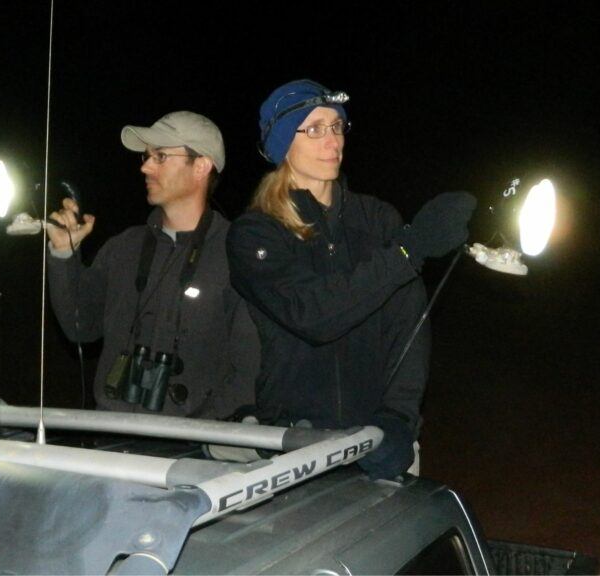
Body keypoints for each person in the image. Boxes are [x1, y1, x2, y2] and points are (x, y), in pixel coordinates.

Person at [226, 79, 476, 480]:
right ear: (283, 144)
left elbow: (409, 322)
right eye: (315, 129)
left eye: (337, 127)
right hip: (292, 439)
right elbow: (313, 315)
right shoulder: (256, 233)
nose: (332, 141)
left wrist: (398, 417)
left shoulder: (377, 219)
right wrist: (407, 253)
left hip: (375, 435)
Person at [45, 111, 260, 419]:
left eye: (160, 157)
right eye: (146, 157)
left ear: (201, 166)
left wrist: (207, 438)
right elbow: (81, 327)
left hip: (193, 453)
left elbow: (249, 371)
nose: (145, 166)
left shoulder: (237, 256)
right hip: (113, 443)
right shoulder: (123, 247)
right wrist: (64, 254)